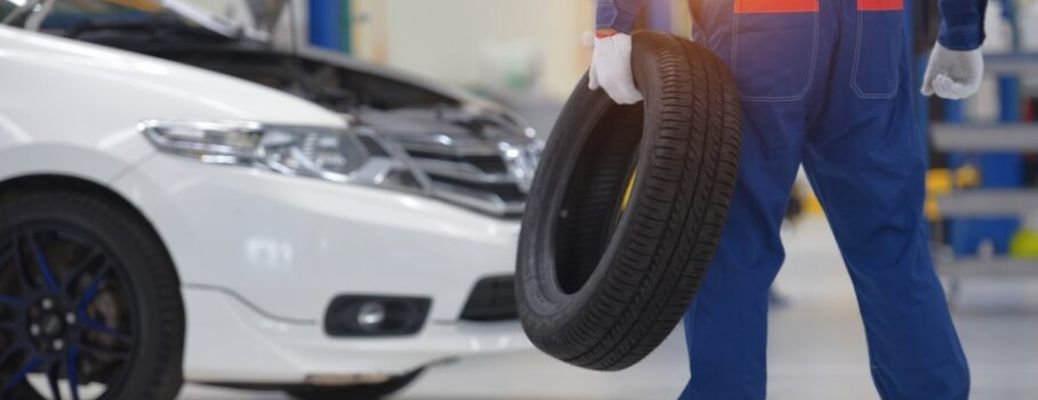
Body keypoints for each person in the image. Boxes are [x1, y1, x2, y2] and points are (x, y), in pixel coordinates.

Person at [590, 0, 984, 398]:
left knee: (733, 235)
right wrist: (962, 31)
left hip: (759, 24)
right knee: (891, 238)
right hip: (873, 26)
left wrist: (612, 24)